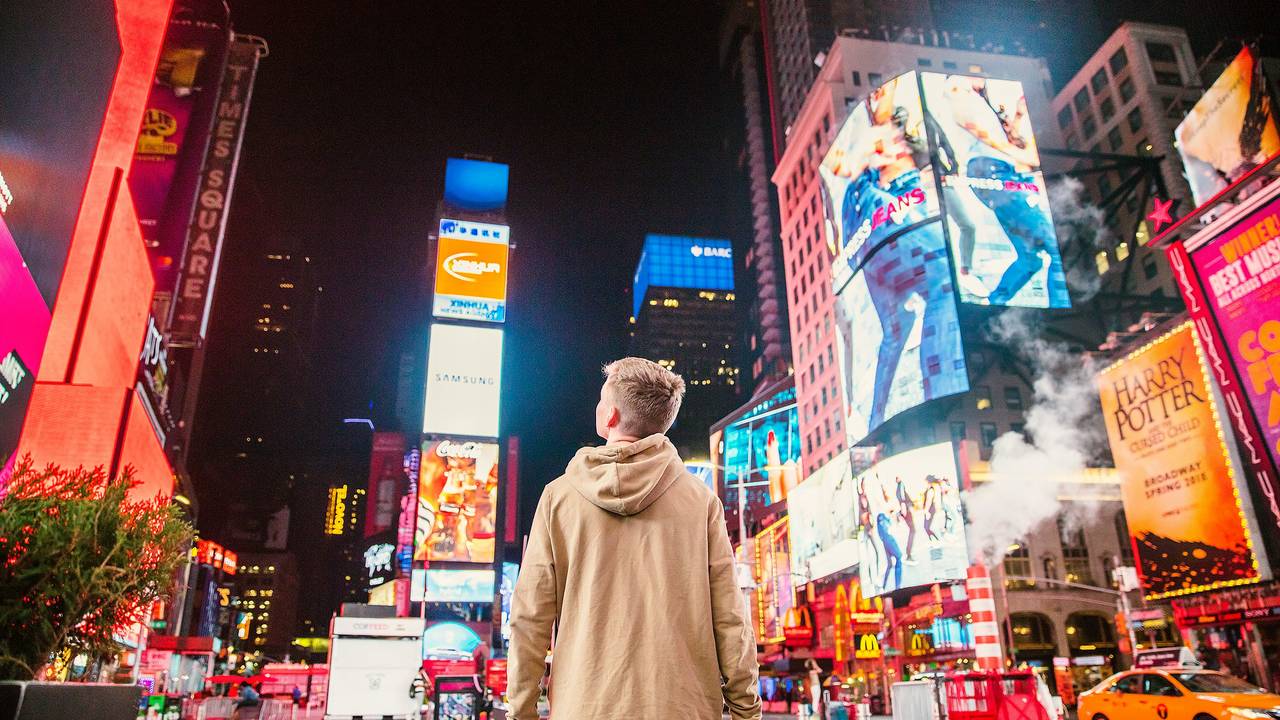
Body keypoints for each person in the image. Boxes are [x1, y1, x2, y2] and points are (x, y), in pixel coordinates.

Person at [507, 358, 761, 720]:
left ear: (609, 415)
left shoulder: (558, 498)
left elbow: (530, 617)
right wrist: (746, 711)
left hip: (583, 708)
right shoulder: (701, 501)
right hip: (683, 709)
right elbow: (731, 619)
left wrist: (521, 710)